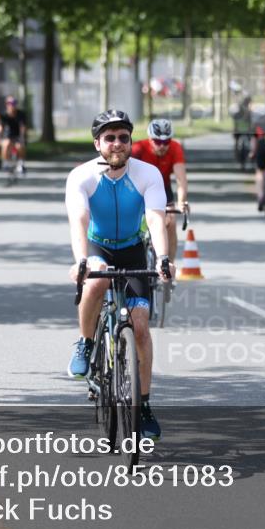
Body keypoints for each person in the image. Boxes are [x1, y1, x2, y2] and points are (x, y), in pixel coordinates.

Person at [65, 110, 175, 440]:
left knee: (140, 327)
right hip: (97, 248)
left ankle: (143, 406)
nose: (117, 144)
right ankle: (85, 344)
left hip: (132, 248)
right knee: (97, 278)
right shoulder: (82, 176)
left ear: (131, 142)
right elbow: (80, 221)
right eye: (109, 138)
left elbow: (155, 219)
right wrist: (81, 260)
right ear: (97, 143)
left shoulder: (148, 173)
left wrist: (164, 257)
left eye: (123, 138)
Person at [130, 119, 189, 263]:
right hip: (138, 189)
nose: (162, 146)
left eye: (166, 142)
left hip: (162, 188)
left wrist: (181, 202)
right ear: (150, 139)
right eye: (158, 142)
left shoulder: (175, 148)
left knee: (171, 222)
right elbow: (125, 174)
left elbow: (181, 179)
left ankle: (169, 267)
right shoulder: (138, 149)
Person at [0, 95, 29, 175]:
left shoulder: (21, 114)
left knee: (20, 146)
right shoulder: (4, 115)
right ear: (6, 104)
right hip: (8, 135)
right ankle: (6, 163)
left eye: (13, 103)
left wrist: (22, 138)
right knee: (6, 145)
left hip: (18, 136)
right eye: (9, 103)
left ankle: (21, 164)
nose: (12, 105)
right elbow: (0, 126)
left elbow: (23, 127)